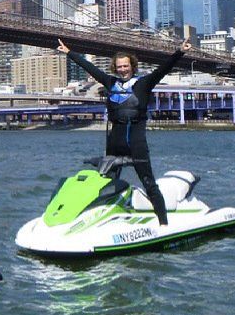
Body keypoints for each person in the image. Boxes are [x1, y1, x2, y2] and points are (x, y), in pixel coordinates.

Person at [55, 37, 192, 226]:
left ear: (132, 66)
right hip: (114, 141)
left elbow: (163, 69)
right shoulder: (110, 82)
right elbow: (90, 68)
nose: (122, 69)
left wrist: (180, 51)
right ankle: (101, 219)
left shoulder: (143, 83)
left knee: (149, 183)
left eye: (125, 66)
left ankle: (164, 224)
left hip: (136, 142)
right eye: (119, 67)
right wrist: (70, 53)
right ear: (115, 68)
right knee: (106, 184)